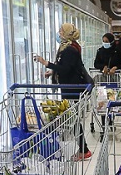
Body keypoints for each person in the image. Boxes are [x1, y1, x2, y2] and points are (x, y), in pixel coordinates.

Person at [34, 22, 93, 159]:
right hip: (70, 86)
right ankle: (83, 149)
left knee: (73, 119)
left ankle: (84, 150)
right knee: (73, 119)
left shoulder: (69, 50)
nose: (59, 33)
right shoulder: (70, 47)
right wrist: (52, 71)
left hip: (72, 88)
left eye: (61, 31)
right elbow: (67, 66)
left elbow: (66, 69)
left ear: (66, 34)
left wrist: (46, 63)